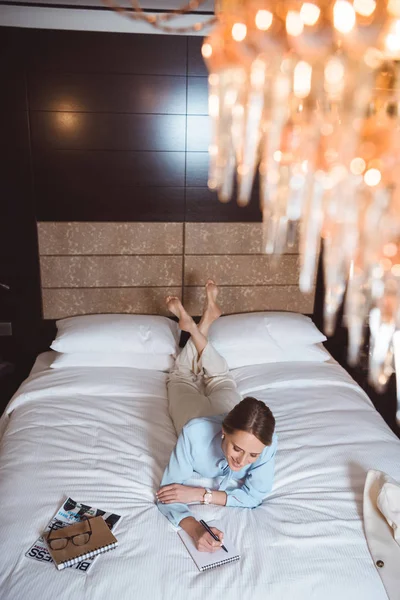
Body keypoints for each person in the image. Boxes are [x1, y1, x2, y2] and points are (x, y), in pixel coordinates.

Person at [156, 280, 277, 553]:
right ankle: (199, 325)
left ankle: (198, 326)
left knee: (222, 377)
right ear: (224, 431)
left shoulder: (266, 440)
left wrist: (202, 495)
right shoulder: (194, 433)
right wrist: (194, 527)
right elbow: (167, 493)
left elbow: (255, 496)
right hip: (196, 412)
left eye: (253, 456)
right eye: (237, 448)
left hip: (227, 405)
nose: (242, 461)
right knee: (181, 377)